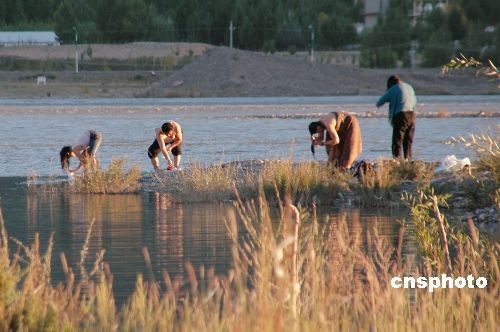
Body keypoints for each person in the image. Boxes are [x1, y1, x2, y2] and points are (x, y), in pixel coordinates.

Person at [376, 75, 417, 160]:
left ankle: (397, 162)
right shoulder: (409, 87)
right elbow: (414, 102)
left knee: (397, 141)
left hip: (401, 116)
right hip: (412, 115)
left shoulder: (393, 88)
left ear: (390, 84)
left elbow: (380, 102)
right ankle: (408, 161)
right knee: (408, 141)